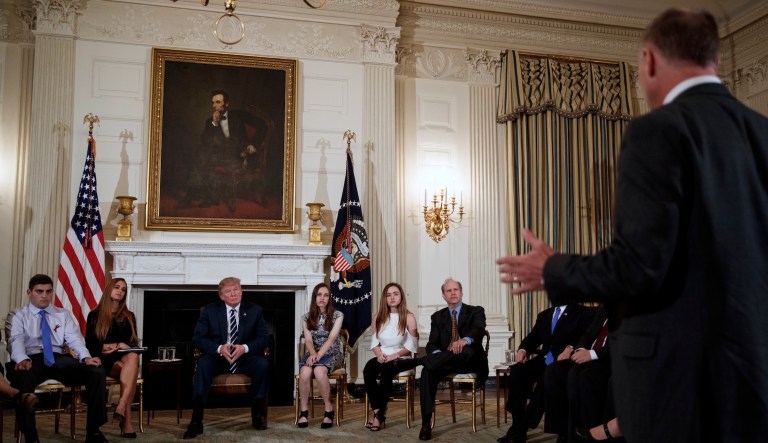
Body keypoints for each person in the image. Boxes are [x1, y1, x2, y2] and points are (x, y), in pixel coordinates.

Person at [496, 8, 768, 443]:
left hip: (675, 381)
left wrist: (552, 268)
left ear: (650, 61)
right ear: (714, 59)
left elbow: (639, 267)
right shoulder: (762, 132)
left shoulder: (656, 131)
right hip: (755, 372)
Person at [6, 274, 109, 443]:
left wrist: (86, 357)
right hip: (31, 359)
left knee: (96, 372)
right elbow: (15, 340)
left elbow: (74, 339)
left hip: (59, 359)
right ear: (29, 292)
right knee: (22, 377)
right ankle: (30, 435)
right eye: (39, 291)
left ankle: (94, 431)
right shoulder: (18, 315)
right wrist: (21, 359)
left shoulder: (62, 314)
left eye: (48, 291)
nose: (44, 296)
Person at [183, 277, 271, 439]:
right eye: (228, 291)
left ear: (241, 292)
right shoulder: (209, 311)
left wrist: (244, 348)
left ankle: (258, 415)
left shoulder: (254, 310)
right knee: (202, 364)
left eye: (236, 289)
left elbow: (263, 338)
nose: (233, 294)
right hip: (218, 358)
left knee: (262, 364)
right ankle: (196, 420)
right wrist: (219, 348)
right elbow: (198, 338)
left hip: (244, 358)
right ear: (221, 296)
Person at [497, 304, 593, 443]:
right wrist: (523, 350)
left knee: (545, 379)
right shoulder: (544, 315)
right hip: (544, 359)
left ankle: (523, 429)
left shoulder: (583, 312)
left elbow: (586, 335)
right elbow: (533, 337)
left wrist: (571, 348)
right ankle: (517, 424)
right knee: (517, 371)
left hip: (565, 362)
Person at [417, 278, 488, 441]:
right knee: (427, 370)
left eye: (456, 289)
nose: (453, 293)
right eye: (449, 291)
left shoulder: (475, 311)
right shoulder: (437, 317)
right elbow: (431, 344)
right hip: (446, 363)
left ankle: (426, 360)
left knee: (467, 350)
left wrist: (464, 340)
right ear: (443, 295)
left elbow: (478, 329)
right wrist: (436, 353)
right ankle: (426, 424)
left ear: (461, 292)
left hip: (469, 362)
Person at [180, 89, 269, 211]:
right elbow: (204, 141)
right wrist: (215, 124)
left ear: (226, 104)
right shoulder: (210, 121)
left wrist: (254, 144)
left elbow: (263, 125)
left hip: (240, 155)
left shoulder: (239, 115)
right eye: (212, 103)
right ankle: (210, 197)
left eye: (217, 102)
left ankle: (193, 196)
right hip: (221, 156)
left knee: (203, 157)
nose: (214, 106)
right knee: (202, 153)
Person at [543, 304, 611, 443]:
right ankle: (563, 432)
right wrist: (580, 349)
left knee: (579, 375)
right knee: (554, 370)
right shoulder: (603, 309)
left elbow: (626, 343)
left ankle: (585, 434)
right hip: (588, 357)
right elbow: (588, 334)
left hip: (609, 361)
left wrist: (592, 354)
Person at [85, 278, 141, 438]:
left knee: (133, 356)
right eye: (117, 287)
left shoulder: (129, 316)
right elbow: (92, 345)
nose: (120, 291)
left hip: (124, 357)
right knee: (130, 372)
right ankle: (126, 420)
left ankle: (121, 405)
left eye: (123, 289)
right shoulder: (94, 315)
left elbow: (131, 343)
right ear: (109, 289)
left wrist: (117, 346)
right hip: (103, 360)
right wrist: (118, 345)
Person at [362, 282, 420, 431]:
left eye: (395, 294)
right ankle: (378, 413)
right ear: (385, 298)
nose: (392, 297)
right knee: (368, 369)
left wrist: (395, 355)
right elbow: (375, 343)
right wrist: (379, 354)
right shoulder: (378, 317)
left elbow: (412, 346)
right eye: (388, 295)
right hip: (384, 356)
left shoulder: (408, 317)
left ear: (401, 296)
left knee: (387, 371)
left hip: (402, 357)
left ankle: (378, 417)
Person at [296, 282, 344, 429]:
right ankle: (303, 412)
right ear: (314, 297)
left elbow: (331, 339)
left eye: (326, 295)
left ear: (329, 298)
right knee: (304, 372)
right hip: (313, 353)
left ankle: (328, 409)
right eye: (319, 295)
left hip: (332, 353)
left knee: (319, 370)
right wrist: (313, 354)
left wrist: (317, 356)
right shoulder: (306, 318)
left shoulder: (338, 315)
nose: (322, 298)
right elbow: (309, 340)